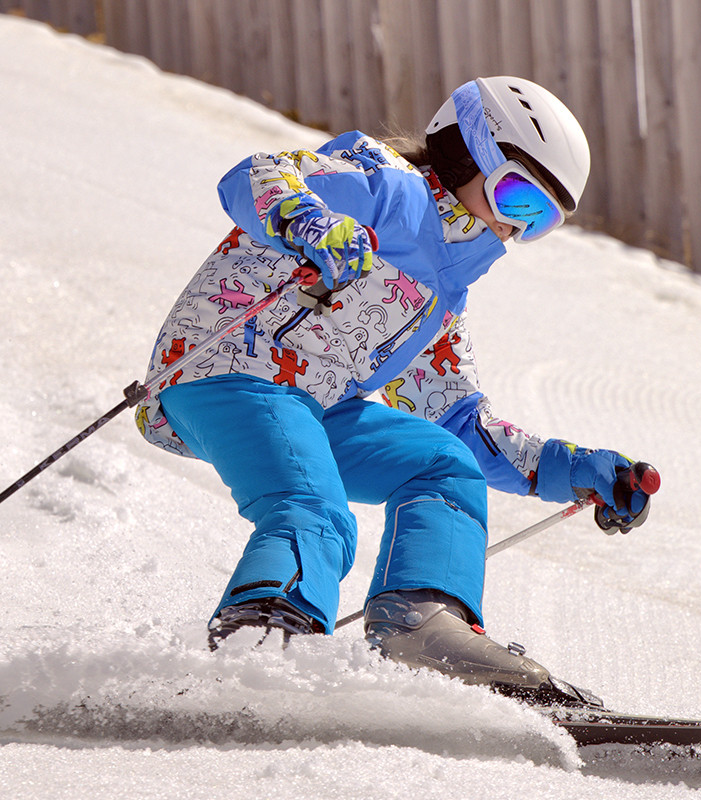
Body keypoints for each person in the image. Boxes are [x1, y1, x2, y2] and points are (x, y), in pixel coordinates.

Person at [137, 76, 652, 708]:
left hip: (316, 407)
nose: (513, 225)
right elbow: (259, 174)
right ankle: (262, 642)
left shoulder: (444, 291)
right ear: (466, 151)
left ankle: (422, 623)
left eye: (538, 219)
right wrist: (310, 223)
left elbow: (456, 410)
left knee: (442, 462)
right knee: (313, 507)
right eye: (515, 195)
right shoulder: (380, 182)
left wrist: (568, 468)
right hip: (227, 371)